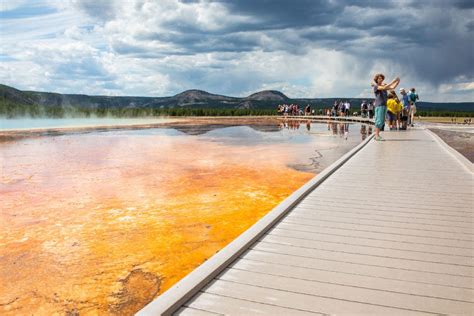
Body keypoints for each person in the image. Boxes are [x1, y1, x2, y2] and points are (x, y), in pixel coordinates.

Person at [372, 73, 400, 141]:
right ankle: (377, 135)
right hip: (379, 105)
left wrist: (397, 81)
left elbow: (392, 87)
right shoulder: (376, 86)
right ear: (376, 79)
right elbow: (384, 87)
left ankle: (376, 135)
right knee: (379, 120)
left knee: (381, 121)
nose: (380, 79)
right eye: (379, 78)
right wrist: (393, 81)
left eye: (381, 78)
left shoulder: (383, 87)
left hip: (384, 105)